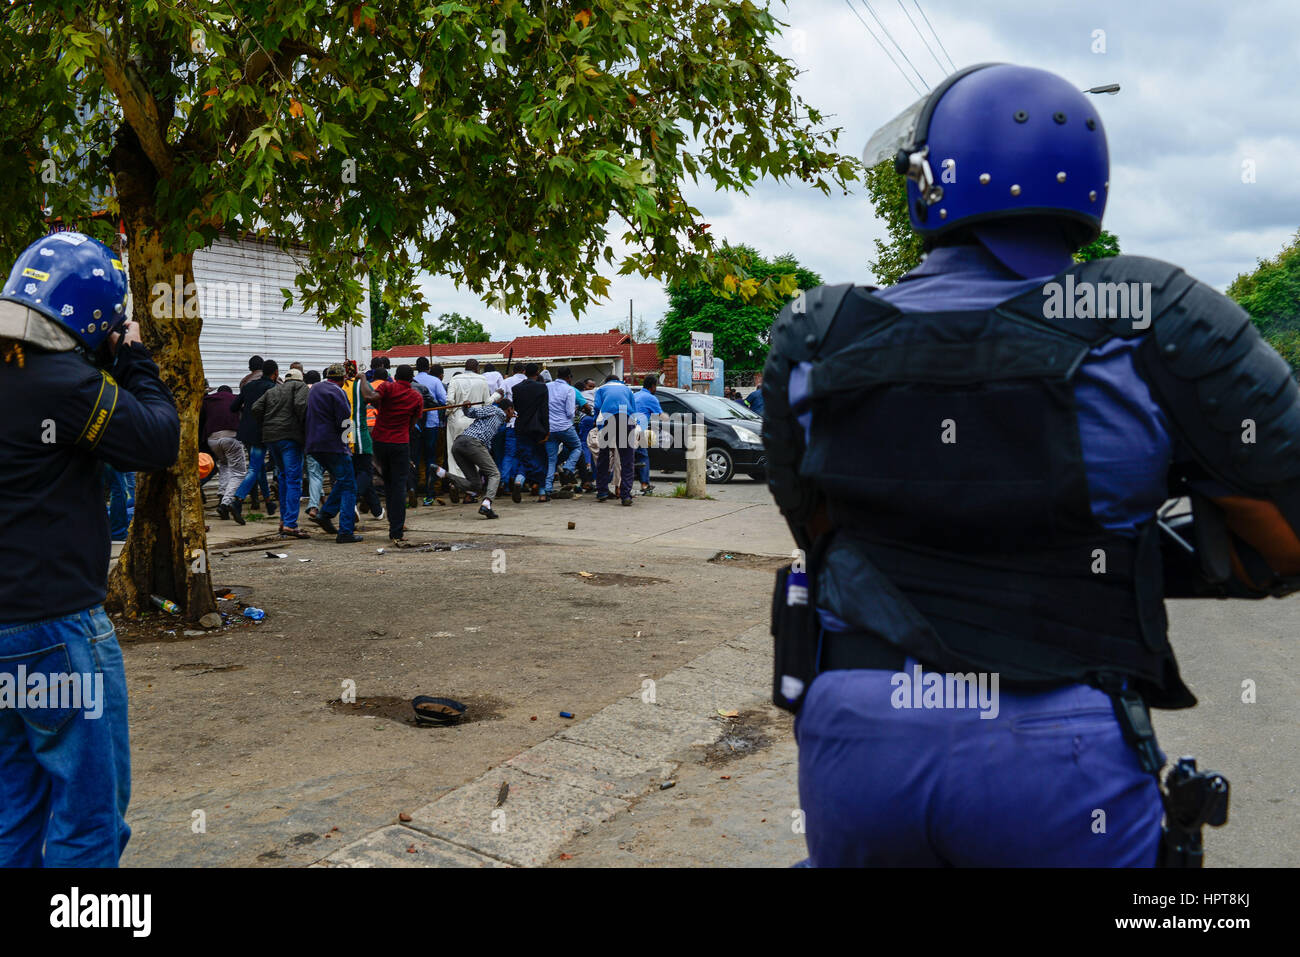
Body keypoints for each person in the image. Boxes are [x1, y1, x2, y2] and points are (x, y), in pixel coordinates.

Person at [764, 62, 1300, 868]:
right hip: (1055, 755)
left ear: (927, 182)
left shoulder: (814, 331)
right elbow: (1287, 536)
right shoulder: (1151, 313)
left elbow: (818, 531)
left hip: (857, 737)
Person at [0, 232, 180, 866]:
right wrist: (132, 358)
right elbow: (158, 440)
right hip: (56, 630)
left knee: (13, 808)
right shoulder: (64, 382)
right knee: (87, 816)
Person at [304, 364, 364, 543]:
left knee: (344, 480)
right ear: (343, 378)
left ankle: (326, 514)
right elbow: (345, 420)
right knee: (350, 486)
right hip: (333, 445)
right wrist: (348, 445)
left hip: (314, 445)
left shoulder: (315, 389)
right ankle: (345, 531)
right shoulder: (338, 393)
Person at [370, 364, 425, 543]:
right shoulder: (416, 397)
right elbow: (413, 422)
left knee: (388, 482)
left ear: (395, 375)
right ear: (411, 379)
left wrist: (362, 380)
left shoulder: (387, 387)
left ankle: (392, 520)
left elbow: (372, 399)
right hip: (400, 442)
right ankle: (396, 528)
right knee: (399, 485)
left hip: (380, 441)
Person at [252, 366, 309, 538]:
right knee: (293, 480)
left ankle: (284, 520)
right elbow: (301, 406)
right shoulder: (300, 387)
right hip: (289, 438)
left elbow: (255, 408)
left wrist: (267, 423)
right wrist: (302, 427)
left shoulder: (273, 390)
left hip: (271, 438)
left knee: (283, 477)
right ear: (300, 379)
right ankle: (290, 524)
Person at [230, 359, 279, 524]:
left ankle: (268, 502)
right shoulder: (273, 388)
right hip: (263, 433)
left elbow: (233, 407)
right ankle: (237, 500)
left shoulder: (248, 386)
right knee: (254, 468)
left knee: (258, 468)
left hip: (247, 433)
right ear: (275, 373)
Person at [449, 397, 512, 519]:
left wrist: (465, 408)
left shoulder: (498, 420)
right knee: (495, 474)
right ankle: (486, 504)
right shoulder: (495, 410)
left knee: (476, 484)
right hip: (472, 442)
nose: (512, 415)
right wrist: (466, 407)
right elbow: (474, 413)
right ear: (509, 409)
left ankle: (443, 474)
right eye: (512, 412)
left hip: (458, 444)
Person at [344, 360, 383, 521]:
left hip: (344, 430)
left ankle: (377, 510)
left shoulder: (341, 386)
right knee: (366, 470)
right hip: (359, 429)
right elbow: (375, 400)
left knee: (356, 471)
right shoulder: (360, 385)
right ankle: (352, 501)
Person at [201, 384, 245, 520]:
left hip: (212, 439)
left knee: (225, 465)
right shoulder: (234, 398)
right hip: (230, 437)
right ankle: (226, 503)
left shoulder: (208, 400)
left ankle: (221, 495)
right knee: (239, 473)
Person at [592, 373, 637, 504]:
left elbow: (597, 408)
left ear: (606, 381)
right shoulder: (627, 389)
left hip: (607, 420)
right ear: (619, 382)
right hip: (625, 419)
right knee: (627, 459)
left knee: (604, 456)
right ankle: (626, 495)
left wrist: (596, 423)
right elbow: (633, 409)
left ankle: (602, 492)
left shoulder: (601, 389)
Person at [445, 358, 490, 483]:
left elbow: (449, 402)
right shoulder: (482, 380)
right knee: (473, 455)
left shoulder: (455, 379)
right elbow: (486, 404)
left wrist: (449, 414)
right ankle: (470, 490)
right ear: (477, 368)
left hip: (456, 420)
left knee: (453, 453)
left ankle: (455, 483)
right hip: (474, 421)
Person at [541, 366, 583, 502]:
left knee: (551, 459)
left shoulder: (547, 386)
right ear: (569, 377)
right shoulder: (569, 389)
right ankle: (568, 468)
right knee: (577, 447)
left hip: (549, 428)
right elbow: (570, 412)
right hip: (564, 426)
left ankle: (547, 489)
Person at [509, 363, 550, 497]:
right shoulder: (542, 387)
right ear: (537, 373)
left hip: (521, 426)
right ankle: (542, 492)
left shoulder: (516, 388)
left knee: (525, 457)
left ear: (525, 372)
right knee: (541, 458)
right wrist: (547, 430)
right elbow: (544, 411)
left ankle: (519, 480)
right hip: (538, 428)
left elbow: (517, 408)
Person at [414, 357, 448, 504]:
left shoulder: (412, 381)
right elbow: (444, 400)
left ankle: (416, 487)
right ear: (428, 367)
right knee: (431, 458)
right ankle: (430, 491)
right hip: (431, 424)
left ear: (416, 368)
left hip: (414, 424)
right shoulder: (435, 381)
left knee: (417, 456)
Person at [632, 373, 663, 495]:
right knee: (643, 456)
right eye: (656, 386)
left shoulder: (635, 395)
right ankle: (644, 484)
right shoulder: (651, 398)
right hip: (639, 430)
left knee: (627, 457)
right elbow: (660, 415)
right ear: (652, 386)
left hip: (626, 428)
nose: (656, 389)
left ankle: (624, 485)